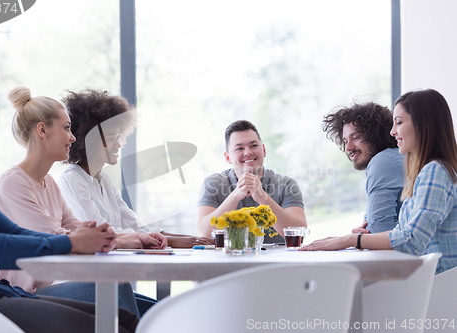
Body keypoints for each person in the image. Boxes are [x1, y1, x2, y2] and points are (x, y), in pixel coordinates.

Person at [0, 72, 138, 332]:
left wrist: (87, 238)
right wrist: (74, 241)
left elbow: (14, 232)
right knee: (112, 325)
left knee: (126, 321)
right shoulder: (8, 182)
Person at [0, 86, 165, 317]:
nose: (73, 137)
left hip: (48, 290)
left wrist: (137, 237)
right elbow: (59, 239)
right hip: (21, 295)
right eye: (66, 128)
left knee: (152, 309)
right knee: (117, 289)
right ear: (42, 130)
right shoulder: (13, 184)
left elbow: (82, 231)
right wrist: (124, 241)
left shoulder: (49, 184)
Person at [302, 89, 457, 274]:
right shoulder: (430, 170)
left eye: (399, 123)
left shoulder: (435, 171)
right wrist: (360, 237)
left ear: (423, 124)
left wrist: (350, 240)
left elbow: (412, 240)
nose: (393, 132)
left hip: (435, 285)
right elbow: (402, 231)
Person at [57, 89, 213, 248]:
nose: (118, 145)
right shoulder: (72, 179)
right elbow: (101, 231)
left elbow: (134, 224)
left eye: (118, 137)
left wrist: (185, 238)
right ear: (88, 141)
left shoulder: (105, 181)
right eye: (110, 138)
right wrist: (169, 240)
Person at [196, 120, 307, 243]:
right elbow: (204, 234)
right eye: (239, 148)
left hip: (277, 260)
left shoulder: (287, 184)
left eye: (254, 146)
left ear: (264, 150)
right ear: (227, 157)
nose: (248, 152)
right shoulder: (213, 183)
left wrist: (263, 198)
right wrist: (235, 195)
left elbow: (299, 234)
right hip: (228, 259)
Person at [322, 102, 404, 233]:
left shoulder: (382, 162)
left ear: (376, 135)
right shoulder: (397, 157)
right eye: (345, 141)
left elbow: (378, 231)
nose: (348, 148)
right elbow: (373, 228)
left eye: (355, 137)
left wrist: (360, 238)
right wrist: (365, 234)